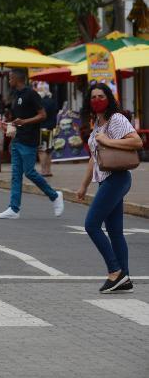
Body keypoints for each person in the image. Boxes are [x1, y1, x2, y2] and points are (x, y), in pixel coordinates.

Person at [77, 83, 143, 293]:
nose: (97, 100)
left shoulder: (116, 119)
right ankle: (125, 278)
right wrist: (83, 186)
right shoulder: (97, 123)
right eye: (93, 96)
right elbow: (93, 159)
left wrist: (108, 141)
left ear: (109, 98)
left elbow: (137, 142)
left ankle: (115, 272)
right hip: (106, 180)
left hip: (118, 177)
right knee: (115, 232)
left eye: (101, 96)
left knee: (91, 225)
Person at [0, 68, 64, 220]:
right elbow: (18, 118)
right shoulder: (16, 95)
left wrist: (24, 122)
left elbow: (42, 115)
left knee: (30, 172)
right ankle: (13, 208)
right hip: (17, 139)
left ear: (18, 79)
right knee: (15, 176)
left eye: (10, 77)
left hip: (29, 140)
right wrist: (9, 125)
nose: (9, 80)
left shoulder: (31, 94)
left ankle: (55, 196)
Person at [34, 82, 57, 177]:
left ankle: (43, 171)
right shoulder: (52, 101)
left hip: (42, 128)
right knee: (48, 150)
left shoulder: (40, 102)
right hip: (51, 128)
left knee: (42, 150)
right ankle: (48, 170)